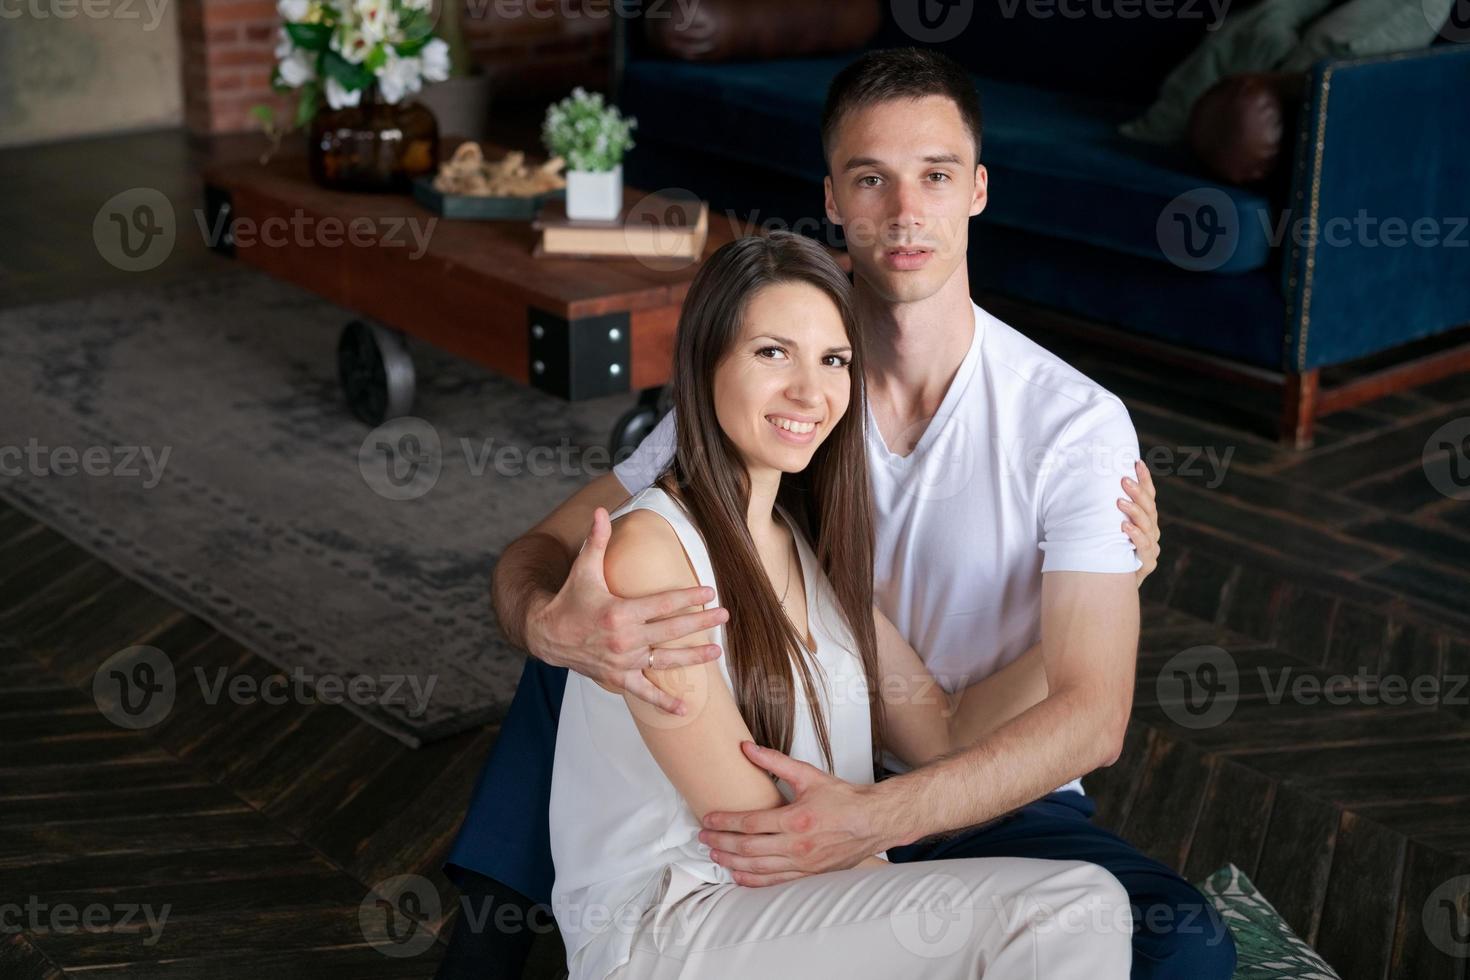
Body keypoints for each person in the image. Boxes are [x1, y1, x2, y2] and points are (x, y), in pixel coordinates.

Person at [437, 46, 1235, 980]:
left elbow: (1086, 721)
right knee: (598, 625)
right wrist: (545, 623)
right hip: (791, 769)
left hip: (979, 788)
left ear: (977, 189)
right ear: (832, 197)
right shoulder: (775, 393)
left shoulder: (1073, 425)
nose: (905, 212)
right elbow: (547, 549)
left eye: (935, 176)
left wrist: (871, 825)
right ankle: (484, 946)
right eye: (872, 178)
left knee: (1181, 945)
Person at [548, 230, 1131, 979]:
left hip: (799, 913)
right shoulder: (650, 555)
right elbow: (760, 834)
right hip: (678, 926)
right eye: (772, 353)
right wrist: (919, 916)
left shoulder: (806, 553)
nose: (808, 391)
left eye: (833, 361)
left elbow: (942, 735)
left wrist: (1108, 599)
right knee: (1071, 907)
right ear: (705, 362)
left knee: (1075, 914)